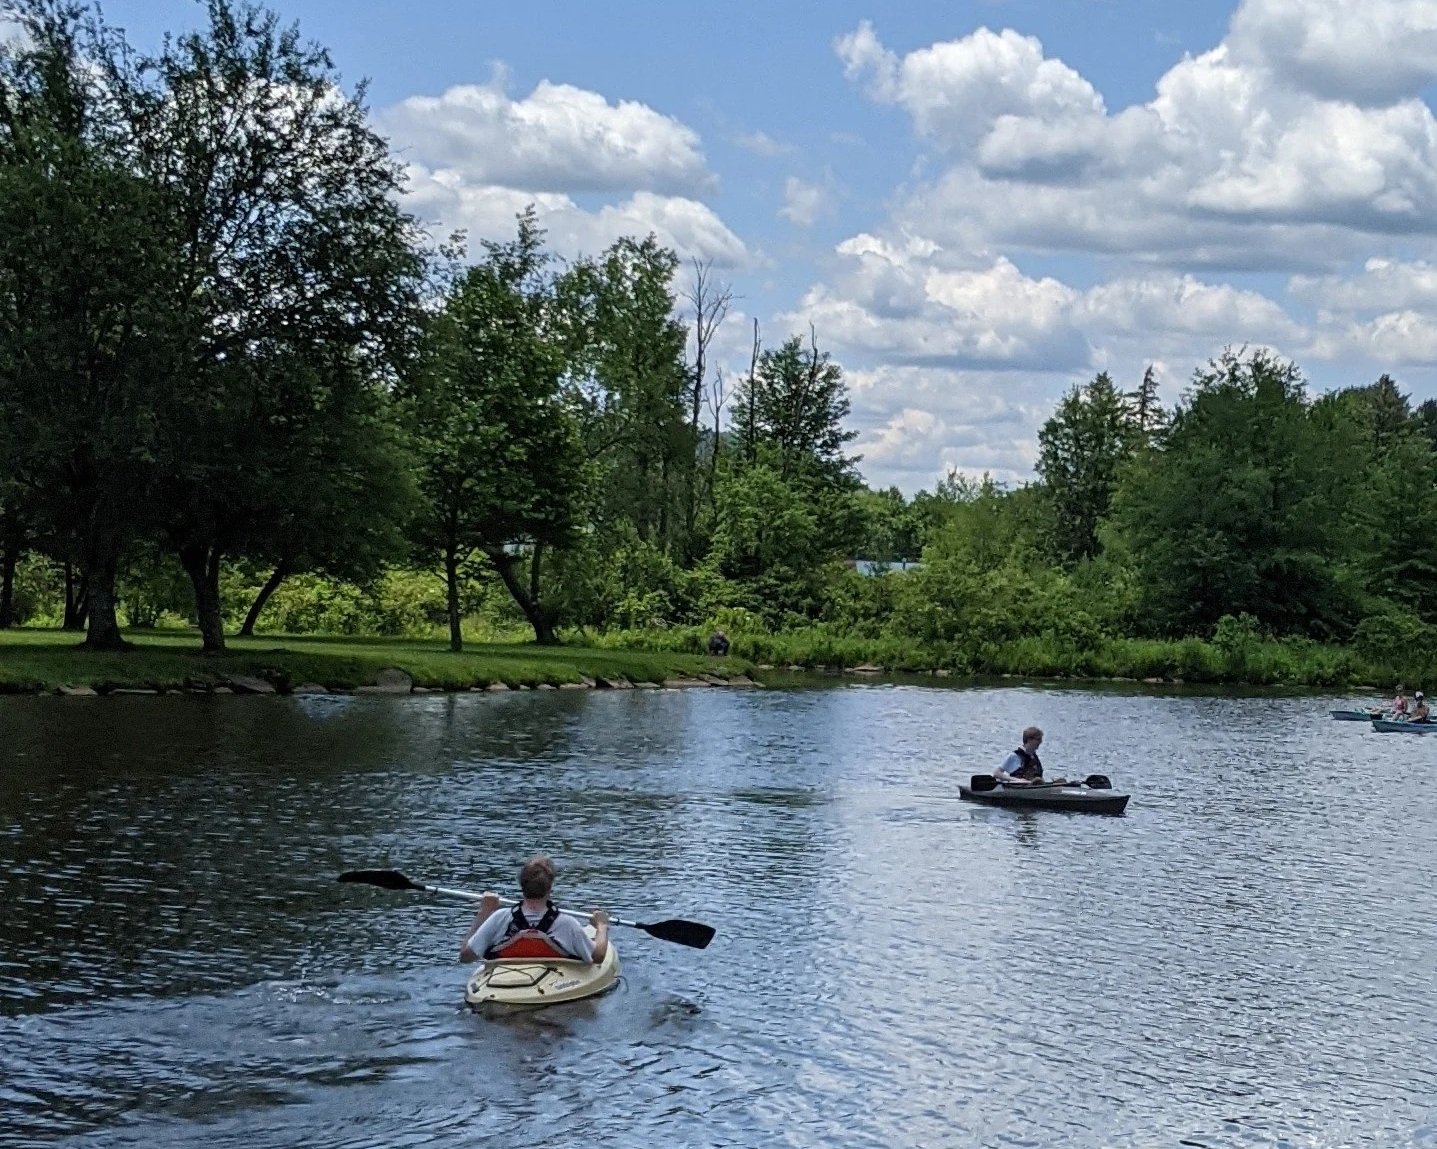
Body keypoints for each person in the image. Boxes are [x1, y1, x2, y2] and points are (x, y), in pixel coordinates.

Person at [458, 856, 610, 965]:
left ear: (521, 886)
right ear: (550, 888)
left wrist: (484, 913)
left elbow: (465, 956)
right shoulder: (567, 924)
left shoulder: (498, 918)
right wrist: (602, 926)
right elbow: (598, 957)